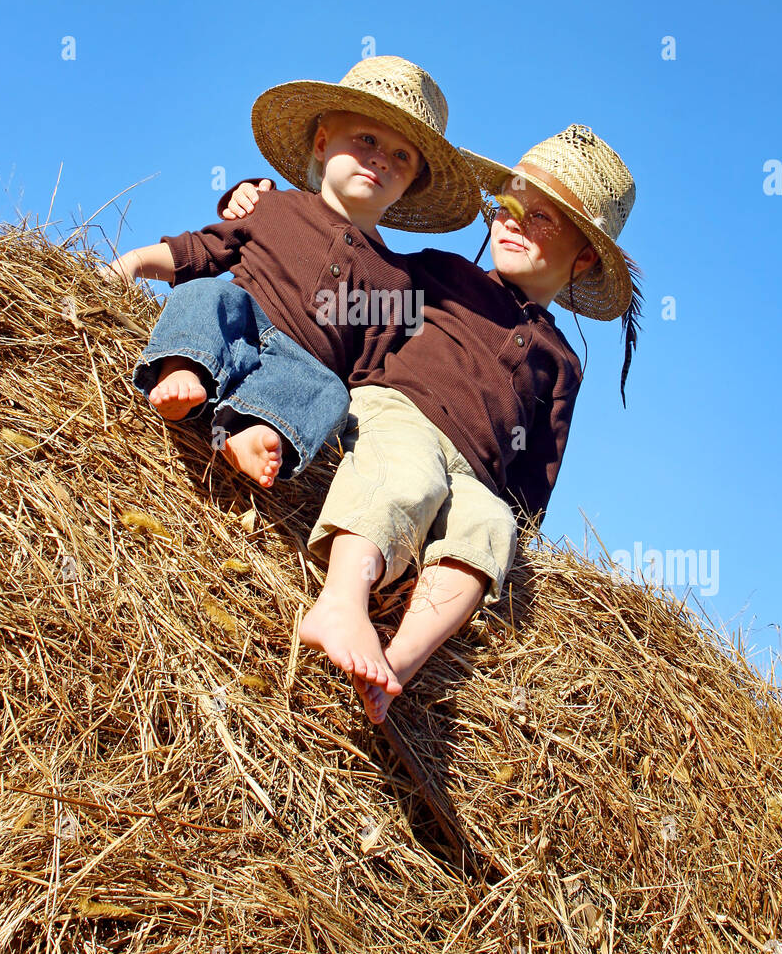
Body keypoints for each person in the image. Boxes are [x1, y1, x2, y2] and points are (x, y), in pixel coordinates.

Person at [225, 124, 641, 721]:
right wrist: (253, 201)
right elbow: (349, 257)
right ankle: (341, 601)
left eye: (543, 217)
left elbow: (536, 472)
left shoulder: (563, 364)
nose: (514, 221)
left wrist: (522, 529)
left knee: (491, 531)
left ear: (585, 256)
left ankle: (399, 662)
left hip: (475, 473)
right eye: (509, 206)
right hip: (398, 412)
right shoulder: (443, 274)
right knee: (408, 475)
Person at [107, 56, 481, 492]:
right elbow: (199, 251)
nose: (381, 159)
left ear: (411, 183)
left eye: (401, 155)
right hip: (237, 326)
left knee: (330, 393)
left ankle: (252, 430)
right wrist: (132, 262)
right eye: (366, 139)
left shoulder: (397, 279)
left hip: (299, 367)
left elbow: (367, 371)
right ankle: (182, 369)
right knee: (207, 295)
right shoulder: (271, 206)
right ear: (322, 144)